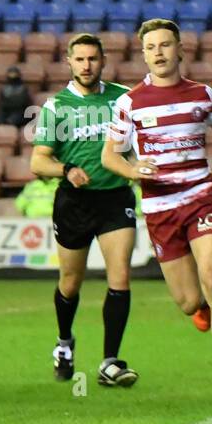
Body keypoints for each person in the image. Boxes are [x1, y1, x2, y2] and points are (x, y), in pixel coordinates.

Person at [101, 19, 212, 402]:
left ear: (180, 49)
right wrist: (133, 170)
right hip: (160, 208)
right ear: (143, 53)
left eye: (166, 44)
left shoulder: (202, 95)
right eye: (151, 47)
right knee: (187, 301)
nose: (159, 52)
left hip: (200, 197)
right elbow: (109, 156)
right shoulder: (128, 103)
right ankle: (197, 308)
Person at [29, 34, 137, 386]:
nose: (87, 65)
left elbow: (141, 141)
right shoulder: (56, 107)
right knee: (70, 282)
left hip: (115, 198)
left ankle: (110, 362)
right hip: (75, 202)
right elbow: (38, 161)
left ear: (103, 60)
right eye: (80, 59)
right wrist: (66, 170)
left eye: (93, 59)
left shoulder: (123, 98)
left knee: (119, 275)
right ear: (69, 61)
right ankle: (64, 342)